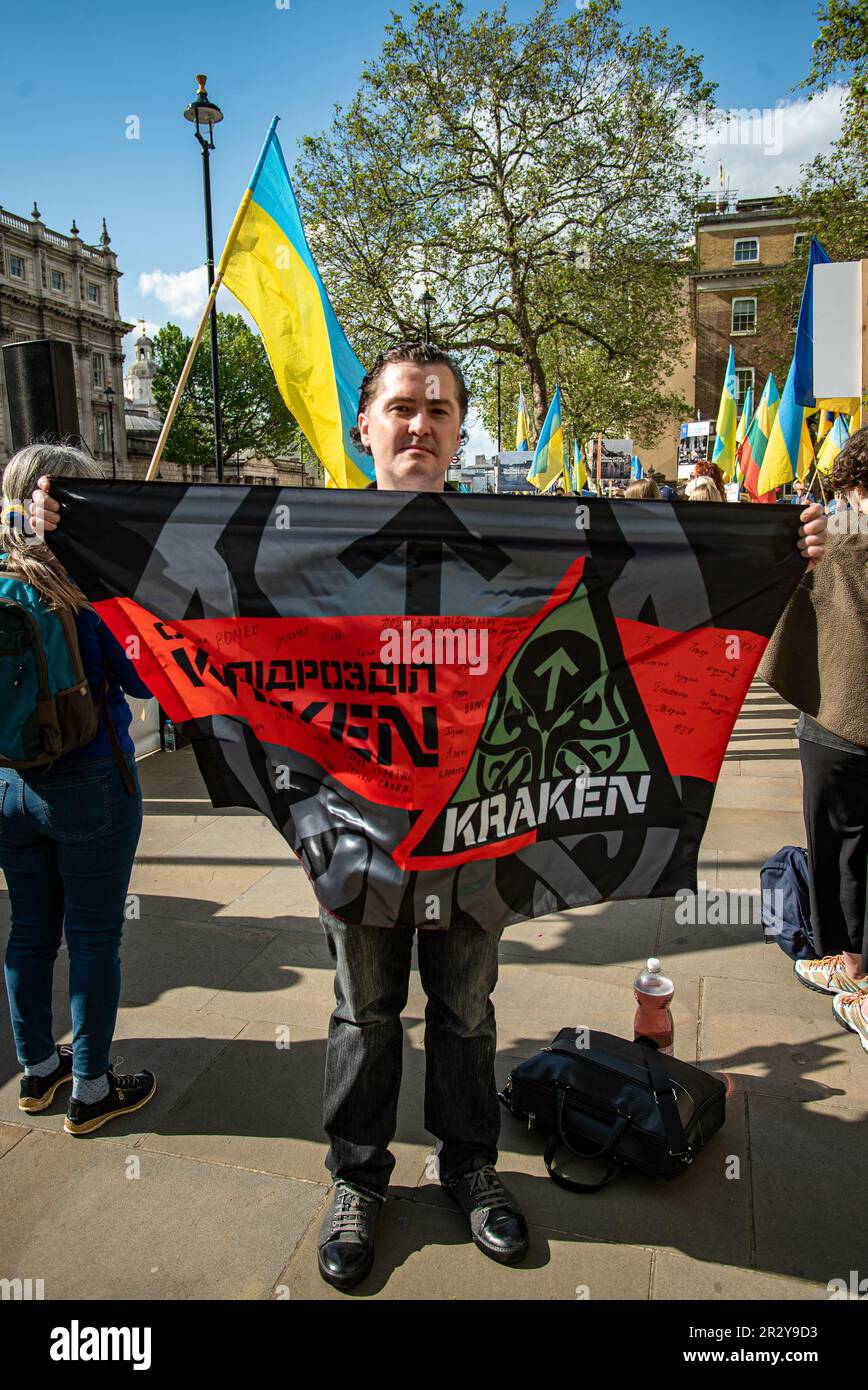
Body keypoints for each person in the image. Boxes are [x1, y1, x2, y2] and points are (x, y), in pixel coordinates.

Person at [30, 347, 830, 1290]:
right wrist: (68, 524)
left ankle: (469, 1164)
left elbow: (650, 568)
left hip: (480, 824)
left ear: (460, 431)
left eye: (440, 410)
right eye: (402, 408)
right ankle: (359, 1179)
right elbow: (175, 581)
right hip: (352, 823)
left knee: (464, 1009)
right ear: (363, 427)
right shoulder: (290, 538)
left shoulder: (525, 532)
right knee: (362, 1012)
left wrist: (781, 539)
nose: (420, 425)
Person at [2, 444, 156, 1134]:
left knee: (29, 932)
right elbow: (145, 680)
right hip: (92, 781)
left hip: (9, 785)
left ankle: (37, 1071)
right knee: (95, 937)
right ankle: (91, 1088)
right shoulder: (86, 591)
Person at [758, 429, 868, 1053]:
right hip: (841, 720)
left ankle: (852, 968)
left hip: (838, 725)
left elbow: (790, 609)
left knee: (840, 847)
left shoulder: (836, 545)